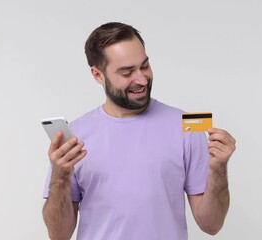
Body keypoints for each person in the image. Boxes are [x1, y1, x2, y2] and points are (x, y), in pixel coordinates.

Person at [42, 22, 236, 240]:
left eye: (144, 66)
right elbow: (59, 235)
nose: (142, 79)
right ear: (98, 75)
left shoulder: (185, 126)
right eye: (127, 72)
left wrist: (219, 169)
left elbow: (212, 224)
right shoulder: (75, 137)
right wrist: (59, 178)